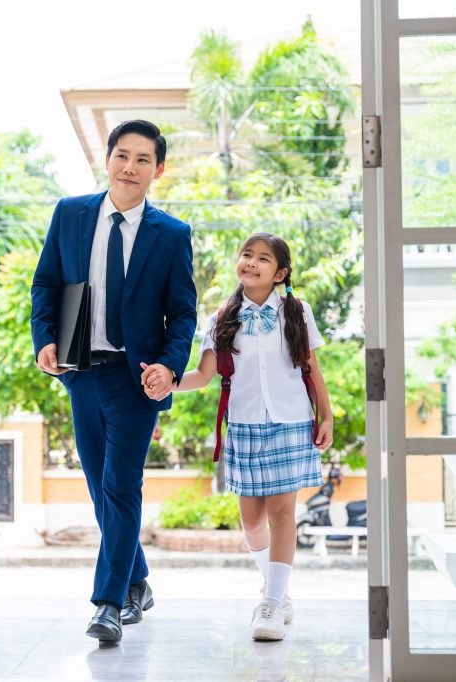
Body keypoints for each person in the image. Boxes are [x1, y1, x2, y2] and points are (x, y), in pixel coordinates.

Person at [30, 119, 197, 642]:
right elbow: (46, 284)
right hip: (81, 372)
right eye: (122, 156)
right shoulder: (71, 214)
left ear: (158, 170)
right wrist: (44, 340)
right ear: (107, 160)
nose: (130, 167)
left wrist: (169, 367)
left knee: (121, 486)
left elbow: (183, 313)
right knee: (101, 489)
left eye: (143, 160)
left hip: (136, 379)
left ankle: (109, 602)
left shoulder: (171, 235)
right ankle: (139, 579)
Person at [142, 232, 334, 641]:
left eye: (263, 258)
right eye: (246, 254)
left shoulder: (297, 311)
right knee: (251, 523)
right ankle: (275, 589)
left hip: (290, 421)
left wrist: (327, 417)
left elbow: (311, 368)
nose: (251, 262)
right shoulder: (223, 316)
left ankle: (271, 603)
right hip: (244, 425)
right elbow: (203, 375)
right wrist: (168, 380)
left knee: (284, 513)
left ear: (280, 273)